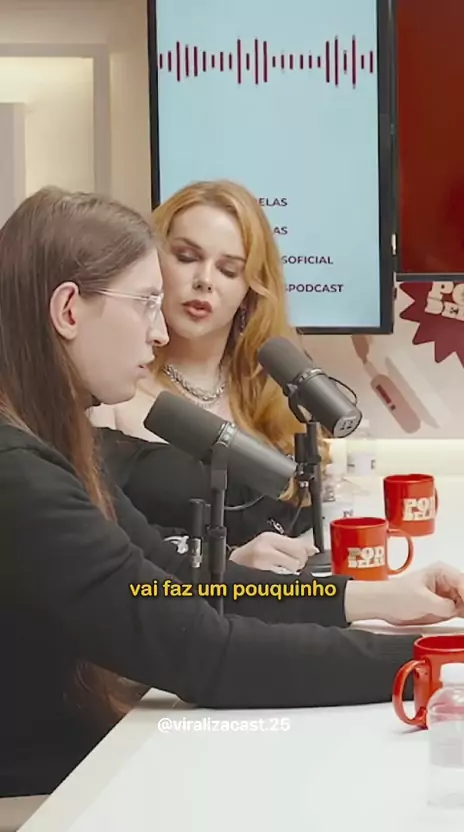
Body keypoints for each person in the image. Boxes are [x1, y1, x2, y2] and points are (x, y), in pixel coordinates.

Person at [1, 186, 463, 800]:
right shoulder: (20, 477)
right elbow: (205, 652)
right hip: (42, 801)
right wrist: (434, 660)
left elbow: (189, 584)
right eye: (145, 304)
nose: (159, 333)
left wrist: (373, 597)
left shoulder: (55, 447)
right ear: (68, 310)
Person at [91, 179, 329, 551]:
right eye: (187, 257)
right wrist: (231, 564)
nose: (204, 281)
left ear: (250, 290)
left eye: (228, 270)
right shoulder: (110, 394)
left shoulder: (274, 392)